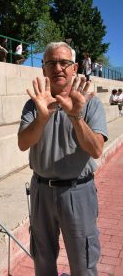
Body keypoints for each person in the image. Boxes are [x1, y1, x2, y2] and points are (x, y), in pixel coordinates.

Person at [18, 42, 108, 276]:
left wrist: (76, 116)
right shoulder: (33, 103)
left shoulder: (91, 104)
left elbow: (96, 149)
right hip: (41, 191)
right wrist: (42, 117)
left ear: (75, 67)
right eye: (51, 63)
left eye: (64, 62)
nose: (58, 68)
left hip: (78, 192)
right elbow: (23, 143)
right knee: (42, 260)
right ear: (43, 69)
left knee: (83, 263)